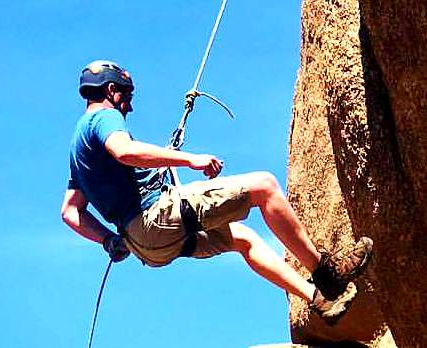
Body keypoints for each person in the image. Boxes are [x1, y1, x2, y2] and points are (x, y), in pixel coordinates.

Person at [61, 60, 373, 324]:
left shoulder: (78, 147)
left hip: (144, 245)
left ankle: (317, 299)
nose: (129, 104)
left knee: (244, 239)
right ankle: (325, 272)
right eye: (126, 94)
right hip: (155, 217)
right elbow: (124, 151)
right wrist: (189, 160)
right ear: (111, 90)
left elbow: (71, 211)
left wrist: (109, 240)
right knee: (264, 185)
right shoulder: (103, 117)